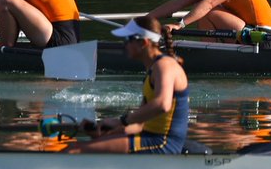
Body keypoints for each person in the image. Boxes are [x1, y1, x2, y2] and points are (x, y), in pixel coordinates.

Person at [74, 16, 189, 153]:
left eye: (128, 40)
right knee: (87, 143)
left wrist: (121, 122)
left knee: (75, 149)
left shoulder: (165, 66)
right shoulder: (152, 71)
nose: (124, 45)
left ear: (144, 43)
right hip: (150, 137)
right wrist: (107, 131)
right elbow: (140, 125)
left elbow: (162, 104)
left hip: (164, 143)